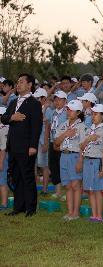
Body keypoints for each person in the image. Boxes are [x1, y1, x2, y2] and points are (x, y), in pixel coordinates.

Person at [1, 73, 42, 217]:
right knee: (15, 176)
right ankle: (18, 206)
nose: (18, 84)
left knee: (27, 177)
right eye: (17, 82)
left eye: (21, 82)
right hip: (13, 146)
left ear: (29, 85)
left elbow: (37, 127)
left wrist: (33, 146)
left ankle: (31, 208)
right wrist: (12, 117)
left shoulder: (34, 103)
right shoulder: (13, 102)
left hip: (26, 147)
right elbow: (4, 118)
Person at [79, 104, 103, 222]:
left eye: (96, 114)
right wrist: (88, 139)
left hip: (97, 162)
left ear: (102, 116)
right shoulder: (89, 130)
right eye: (92, 114)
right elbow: (82, 146)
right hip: (87, 161)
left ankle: (99, 215)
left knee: (97, 190)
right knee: (90, 189)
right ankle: (94, 214)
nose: (93, 116)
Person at [54, 100, 86, 221]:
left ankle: (75, 213)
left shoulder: (82, 127)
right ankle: (69, 212)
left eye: (71, 110)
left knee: (75, 185)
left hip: (75, 156)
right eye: (68, 109)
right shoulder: (63, 125)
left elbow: (83, 146)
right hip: (64, 156)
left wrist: (80, 161)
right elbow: (56, 143)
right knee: (67, 186)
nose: (68, 111)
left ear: (78, 112)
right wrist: (66, 134)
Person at [48, 91, 68, 199]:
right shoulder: (53, 113)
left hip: (63, 143)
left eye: (60, 99)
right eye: (55, 99)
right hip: (53, 141)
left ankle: (67, 192)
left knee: (64, 167)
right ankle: (58, 191)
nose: (57, 102)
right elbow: (51, 127)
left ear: (65, 101)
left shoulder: (67, 113)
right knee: (54, 166)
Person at [33, 88, 51, 195]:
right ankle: (33, 188)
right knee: (33, 165)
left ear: (44, 99)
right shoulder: (34, 108)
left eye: (38, 98)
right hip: (34, 140)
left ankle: (44, 189)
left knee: (43, 165)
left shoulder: (47, 110)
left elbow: (47, 127)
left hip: (42, 140)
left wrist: (45, 142)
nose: (36, 100)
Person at [0, 107, 8, 210]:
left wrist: (1, 162)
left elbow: (3, 148)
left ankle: (4, 204)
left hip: (2, 156)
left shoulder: (4, 128)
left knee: (2, 181)